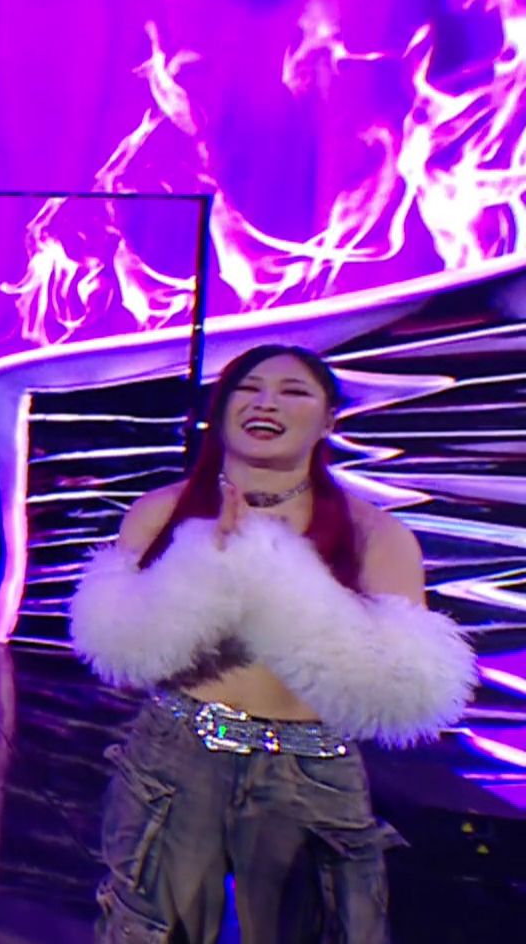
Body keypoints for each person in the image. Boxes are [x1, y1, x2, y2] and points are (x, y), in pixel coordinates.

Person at [68, 343, 477, 942]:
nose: (266, 403)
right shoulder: (162, 511)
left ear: (328, 420)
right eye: (249, 388)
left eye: (293, 392)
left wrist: (269, 565)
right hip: (176, 755)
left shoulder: (376, 534)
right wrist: (201, 566)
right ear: (220, 409)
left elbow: (405, 693)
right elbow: (117, 650)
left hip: (309, 769)